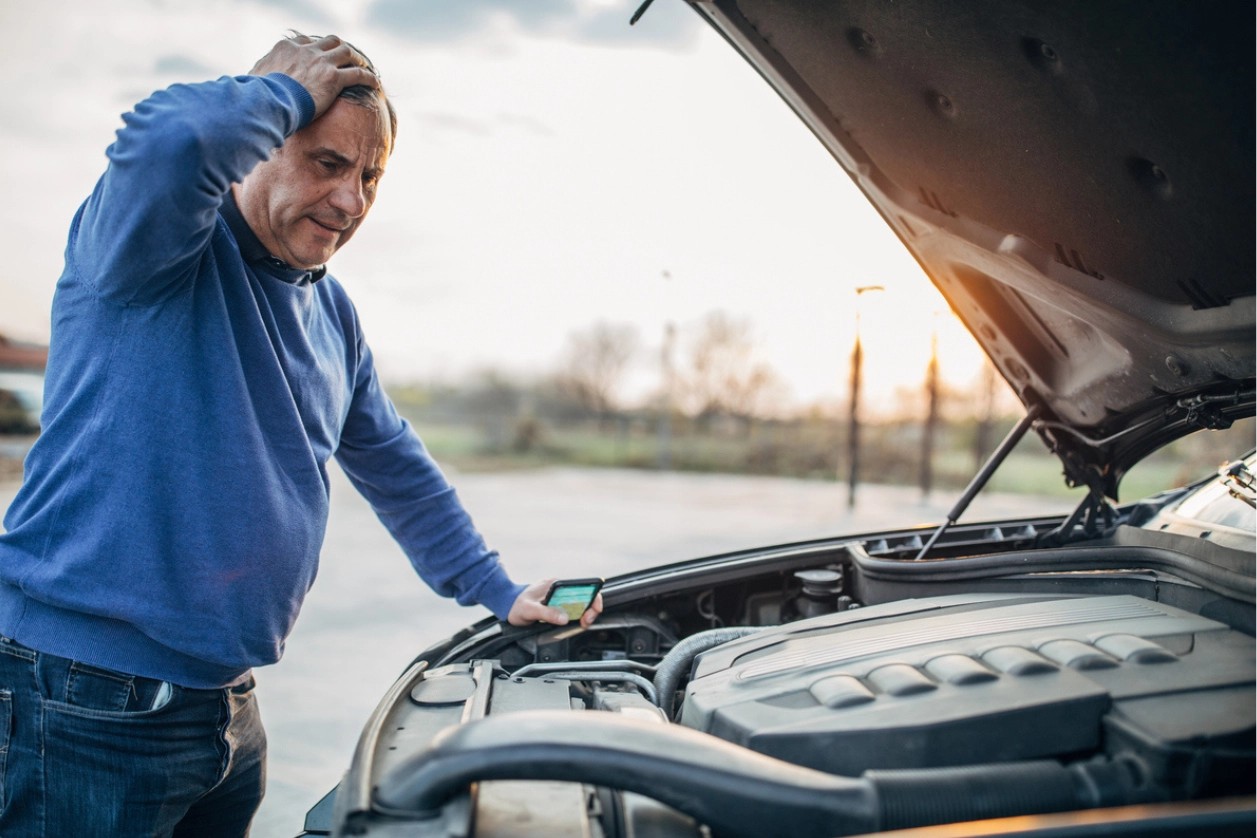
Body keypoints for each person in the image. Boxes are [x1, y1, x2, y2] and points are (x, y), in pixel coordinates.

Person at [0, 33, 599, 836]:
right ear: (255, 146)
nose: (352, 201)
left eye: (370, 175)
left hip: (224, 707)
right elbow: (164, 140)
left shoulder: (330, 309)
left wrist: (496, 588)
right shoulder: (151, 251)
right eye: (326, 163)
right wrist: (281, 90)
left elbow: (392, 461)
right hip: (83, 703)